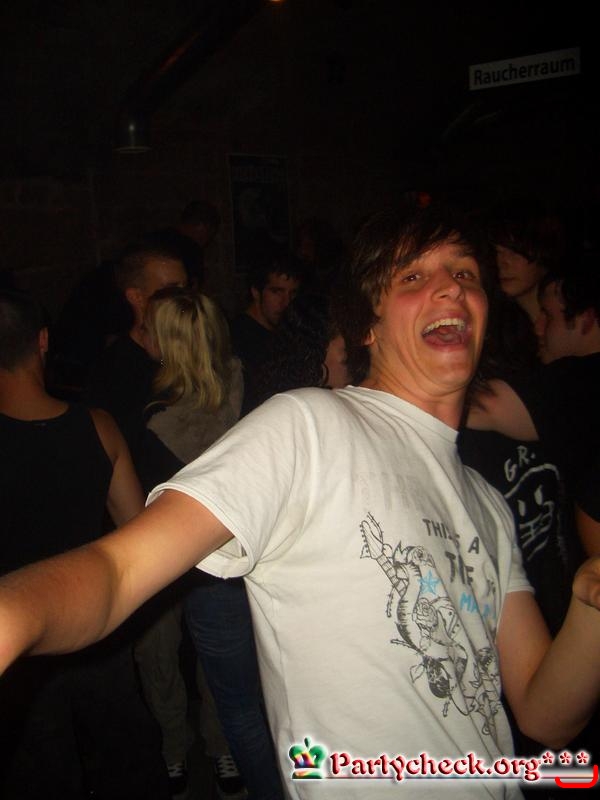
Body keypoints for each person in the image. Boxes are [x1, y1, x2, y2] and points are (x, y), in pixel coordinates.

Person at [1, 206, 600, 800]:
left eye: (465, 273)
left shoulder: (488, 504)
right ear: (366, 327)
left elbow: (545, 716)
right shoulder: (311, 425)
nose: (450, 287)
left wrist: (591, 602)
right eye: (414, 276)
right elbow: (119, 568)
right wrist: (11, 617)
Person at [0, 289, 168, 800]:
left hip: (20, 648)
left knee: (42, 777)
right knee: (129, 765)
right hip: (95, 628)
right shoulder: (98, 427)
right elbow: (138, 532)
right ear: (42, 341)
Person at [138, 287, 279, 798]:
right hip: (216, 556)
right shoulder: (246, 385)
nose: (142, 335)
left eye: (150, 328)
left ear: (167, 343)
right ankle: (185, 748)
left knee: (207, 674)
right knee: (189, 663)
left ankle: (190, 750)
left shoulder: (158, 416)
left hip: (196, 560)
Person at [84, 239, 187, 465]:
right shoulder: (114, 370)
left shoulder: (194, 351)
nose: (183, 298)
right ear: (136, 297)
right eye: (171, 289)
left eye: (184, 288)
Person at [229, 252, 302, 414]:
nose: (286, 302)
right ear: (256, 292)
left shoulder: (290, 332)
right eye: (277, 292)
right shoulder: (236, 338)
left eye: (293, 293)